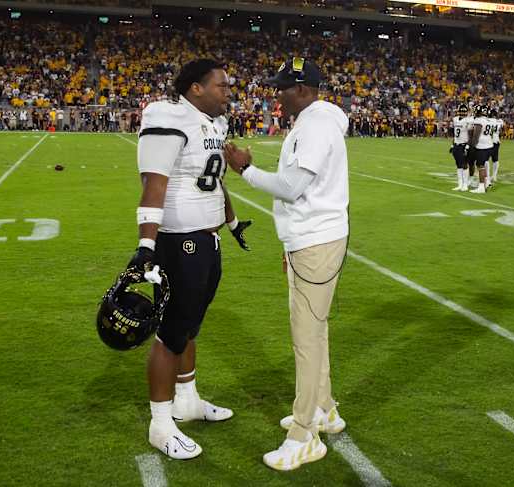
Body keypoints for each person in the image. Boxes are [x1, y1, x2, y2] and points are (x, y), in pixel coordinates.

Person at [225, 57, 349, 471]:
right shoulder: (314, 121)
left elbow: (293, 188)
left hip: (317, 241)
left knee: (306, 337)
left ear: (302, 90)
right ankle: (325, 410)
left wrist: (244, 169)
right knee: (317, 329)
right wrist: (290, 240)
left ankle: (304, 434)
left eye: (282, 88)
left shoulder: (313, 126)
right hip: (310, 238)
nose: (276, 95)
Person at [127, 59, 252, 460]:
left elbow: (214, 183)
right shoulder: (169, 116)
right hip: (179, 240)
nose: (228, 91)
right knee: (170, 334)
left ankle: (188, 400)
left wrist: (231, 223)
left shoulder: (215, 125)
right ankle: (160, 425)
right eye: (221, 85)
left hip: (207, 238)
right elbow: (154, 185)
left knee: (189, 325)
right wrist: (147, 246)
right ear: (195, 88)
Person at [469, 104, 494, 194]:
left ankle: (481, 187)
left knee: (480, 166)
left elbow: (476, 136)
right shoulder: (489, 120)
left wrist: (472, 146)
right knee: (483, 165)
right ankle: (486, 183)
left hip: (482, 145)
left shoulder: (479, 121)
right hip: (489, 145)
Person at [450, 103, 471, 192]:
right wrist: (452, 144)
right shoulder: (455, 119)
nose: (462, 113)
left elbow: (470, 134)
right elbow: (455, 134)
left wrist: (468, 145)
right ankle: (460, 184)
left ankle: (465, 184)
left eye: (464, 111)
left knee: (465, 165)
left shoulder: (468, 120)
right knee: (458, 165)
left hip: (463, 144)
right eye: (461, 111)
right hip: (456, 144)